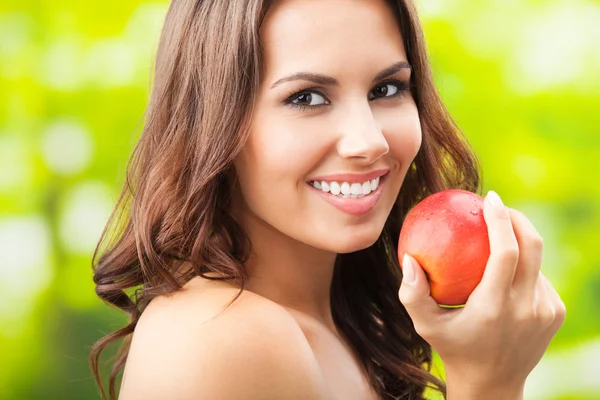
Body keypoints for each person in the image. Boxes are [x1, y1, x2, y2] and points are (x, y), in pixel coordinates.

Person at [89, 0, 566, 399]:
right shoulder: (219, 338)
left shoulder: (347, 326)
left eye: (386, 88)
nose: (369, 141)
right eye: (307, 98)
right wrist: (488, 384)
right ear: (212, 125)